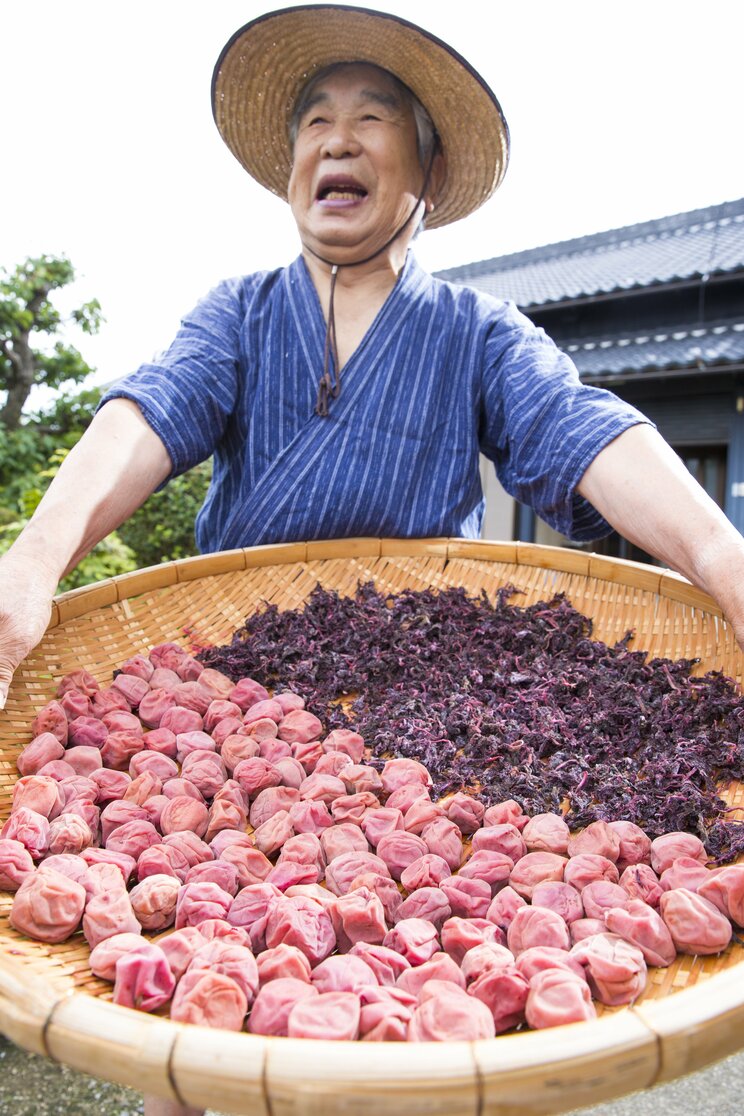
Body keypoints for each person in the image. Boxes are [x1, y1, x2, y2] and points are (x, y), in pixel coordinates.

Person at [2, 5, 744, 1112]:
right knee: (194, 1061)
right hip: (234, 698)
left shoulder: (474, 332)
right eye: (314, 120)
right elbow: (144, 417)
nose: (333, 141)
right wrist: (31, 564)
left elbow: (582, 429)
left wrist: (725, 560)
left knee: (424, 1068)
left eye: (369, 117)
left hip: (440, 726)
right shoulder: (238, 318)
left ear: (426, 171)